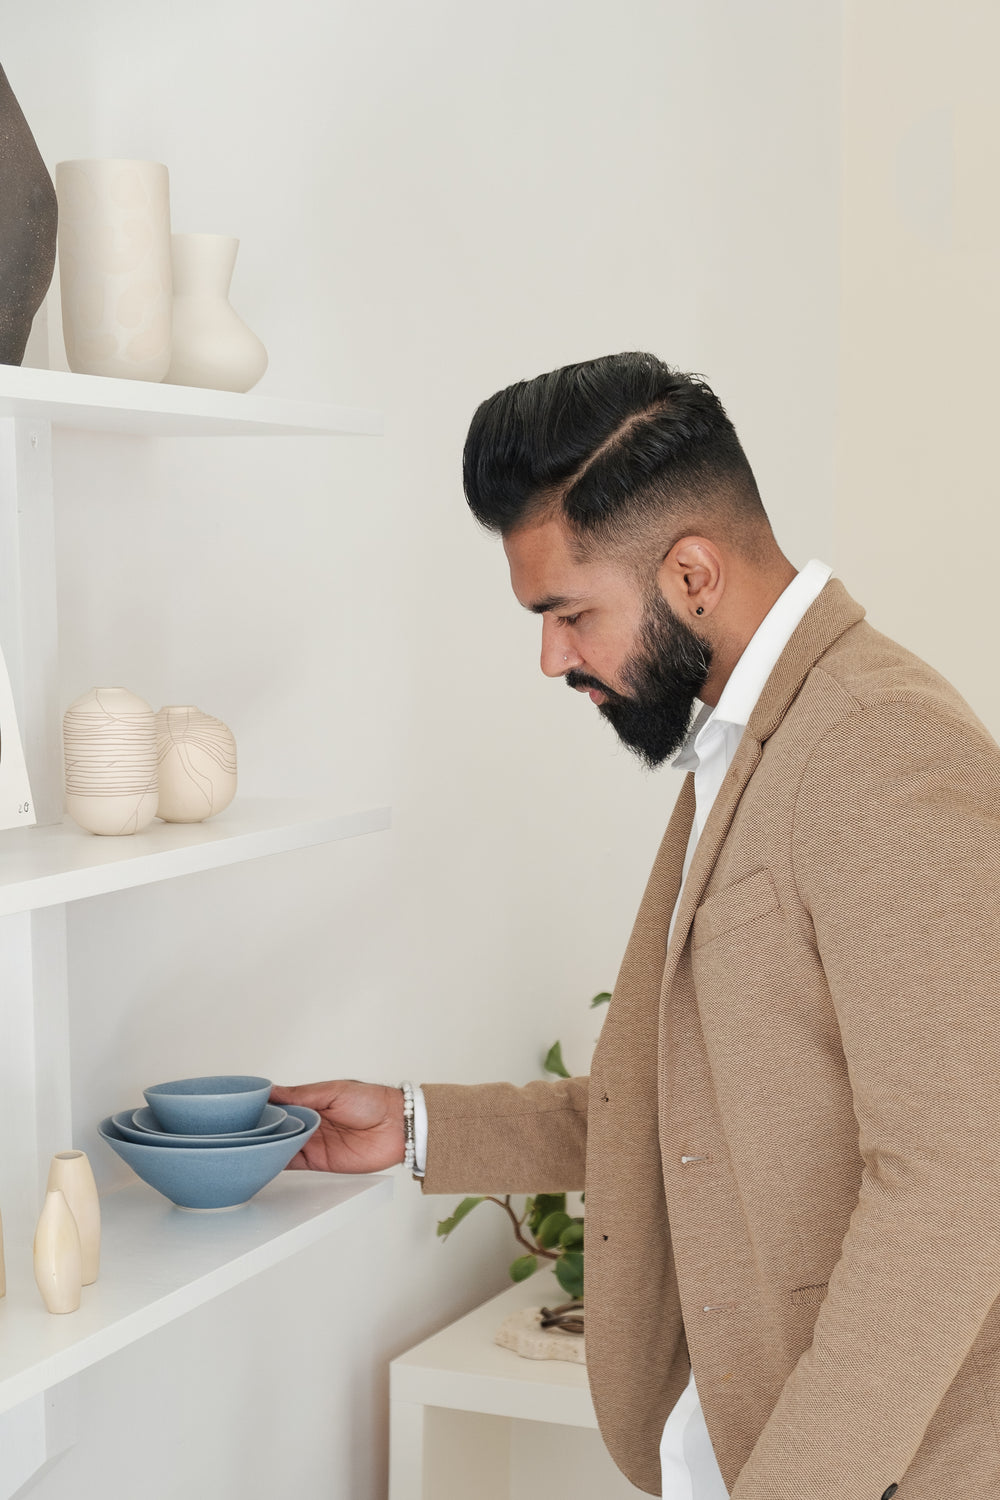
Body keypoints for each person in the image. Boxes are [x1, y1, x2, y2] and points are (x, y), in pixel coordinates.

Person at [271, 353, 1000, 1500]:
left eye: (569, 613)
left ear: (692, 572)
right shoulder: (747, 737)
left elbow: (958, 1185)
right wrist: (414, 1129)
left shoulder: (879, 748)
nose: (553, 657)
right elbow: (688, 1099)